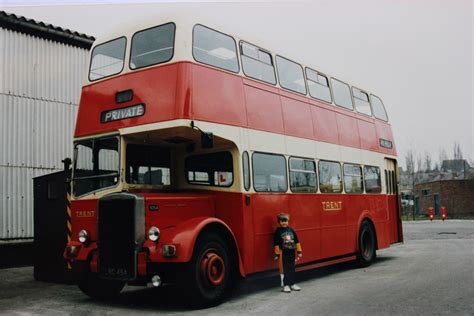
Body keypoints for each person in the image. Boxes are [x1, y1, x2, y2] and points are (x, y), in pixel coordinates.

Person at [273, 212, 302, 293]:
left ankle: (292, 284)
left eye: (285, 221)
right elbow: (276, 243)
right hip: (283, 253)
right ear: (279, 222)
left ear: (288, 221)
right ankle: (286, 285)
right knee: (285, 269)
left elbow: (296, 241)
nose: (284, 222)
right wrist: (277, 254)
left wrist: (299, 251)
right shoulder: (278, 231)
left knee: (292, 268)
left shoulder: (291, 230)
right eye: (282, 221)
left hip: (291, 252)